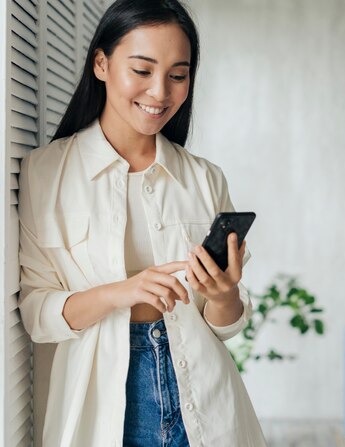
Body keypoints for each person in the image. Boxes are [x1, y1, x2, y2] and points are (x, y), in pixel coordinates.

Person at [17, 0, 267, 445]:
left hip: (206, 401)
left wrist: (225, 293)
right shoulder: (46, 172)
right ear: (101, 63)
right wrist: (123, 291)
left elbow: (227, 325)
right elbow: (38, 315)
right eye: (142, 70)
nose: (160, 93)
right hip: (103, 407)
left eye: (177, 75)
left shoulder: (205, 178)